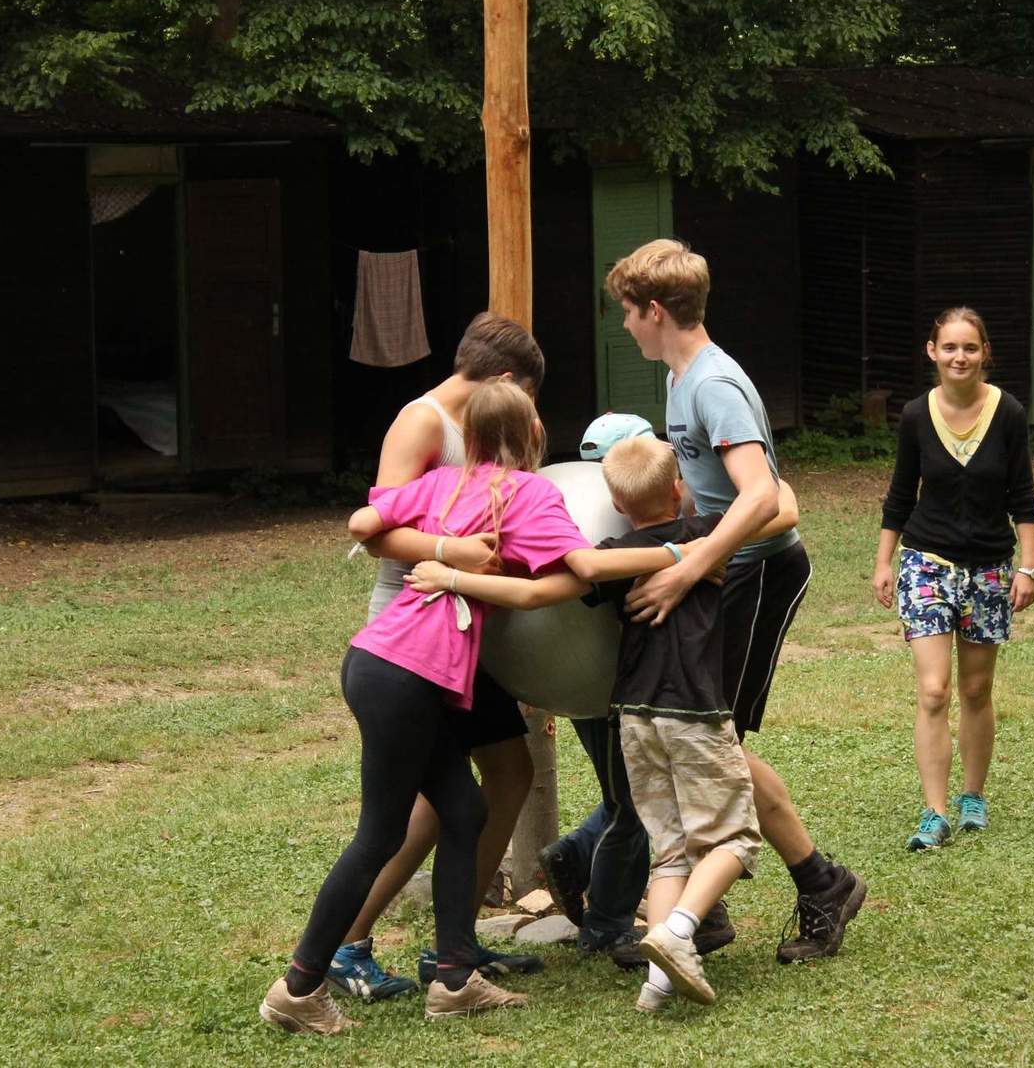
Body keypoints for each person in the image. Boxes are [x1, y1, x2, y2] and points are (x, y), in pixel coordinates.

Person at [259, 380, 699, 1034]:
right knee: (379, 834)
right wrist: (683, 551)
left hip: (380, 661)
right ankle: (297, 988)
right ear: (533, 435)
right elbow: (583, 565)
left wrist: (443, 552)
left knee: (464, 810)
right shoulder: (528, 493)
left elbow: (363, 524)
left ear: (470, 437)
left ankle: (454, 980)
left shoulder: (441, 483)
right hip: (405, 673)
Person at [405, 433, 797, 1012]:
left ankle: (657, 983)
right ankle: (679, 928)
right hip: (694, 711)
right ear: (679, 489)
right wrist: (703, 545)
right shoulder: (705, 534)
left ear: (613, 502)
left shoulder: (610, 552)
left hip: (633, 715)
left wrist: (454, 577)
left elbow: (535, 591)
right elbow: (779, 504)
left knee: (669, 851)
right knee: (735, 838)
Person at [604, 239, 867, 965]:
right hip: (726, 572)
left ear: (655, 310)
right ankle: (711, 909)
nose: (624, 324)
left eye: (627, 311)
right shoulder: (681, 378)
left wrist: (687, 568)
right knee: (705, 739)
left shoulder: (714, 385)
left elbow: (763, 497)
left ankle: (822, 884)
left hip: (756, 575)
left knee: (711, 740)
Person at [325, 313, 552, 1001]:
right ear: (506, 380)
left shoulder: (478, 429)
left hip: (465, 632)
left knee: (508, 772)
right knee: (428, 805)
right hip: (415, 632)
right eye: (528, 397)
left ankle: (456, 945)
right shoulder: (421, 422)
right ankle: (348, 945)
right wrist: (454, 555)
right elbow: (375, 533)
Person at [537, 412, 733, 964]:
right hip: (627, 693)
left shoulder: (608, 542)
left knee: (630, 797)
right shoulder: (687, 536)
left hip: (599, 687)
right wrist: (689, 557)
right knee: (632, 806)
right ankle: (607, 925)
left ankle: (579, 853)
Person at [871, 306, 1034, 851]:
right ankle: (935, 811)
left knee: (975, 688)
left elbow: (1022, 496)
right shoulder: (916, 416)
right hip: (927, 563)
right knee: (933, 690)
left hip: (989, 567)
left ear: (984, 352)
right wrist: (884, 561)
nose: (959, 357)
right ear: (932, 351)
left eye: (969, 347)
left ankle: (973, 796)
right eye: (949, 347)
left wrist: (1028, 566)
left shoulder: (1008, 413)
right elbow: (901, 494)